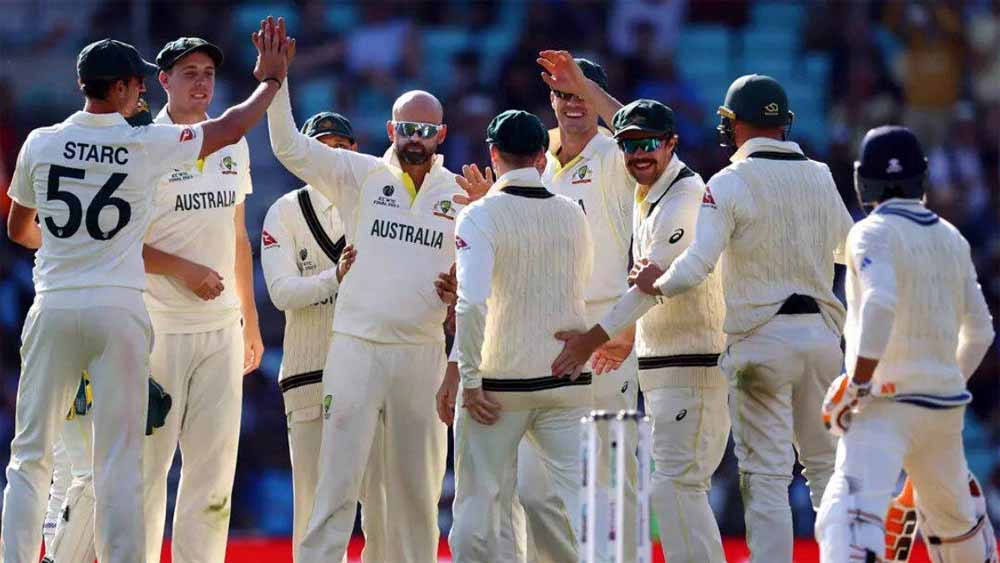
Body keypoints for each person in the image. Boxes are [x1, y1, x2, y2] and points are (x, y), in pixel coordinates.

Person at [2, 18, 291, 563]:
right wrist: (272, 81)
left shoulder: (41, 141)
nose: (139, 90)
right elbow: (231, 127)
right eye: (136, 82)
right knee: (120, 461)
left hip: (55, 303)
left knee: (30, 455)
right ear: (120, 88)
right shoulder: (144, 144)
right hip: (125, 312)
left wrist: (75, 245)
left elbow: (19, 229)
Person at [556, 73, 854, 563]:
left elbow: (695, 266)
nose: (638, 152)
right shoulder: (820, 175)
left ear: (732, 125)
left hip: (757, 342)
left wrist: (656, 285)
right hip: (821, 338)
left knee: (764, 477)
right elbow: (849, 250)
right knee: (825, 471)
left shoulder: (726, 183)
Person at [267, 47, 484, 561]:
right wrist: (276, 82)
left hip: (421, 353)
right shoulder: (358, 174)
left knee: (416, 493)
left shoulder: (461, 194)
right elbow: (288, 147)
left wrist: (486, 213)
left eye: (425, 131)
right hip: (356, 350)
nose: (415, 139)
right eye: (407, 129)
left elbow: (488, 273)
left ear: (442, 135)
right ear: (391, 130)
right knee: (335, 486)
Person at [815, 126, 997, 563]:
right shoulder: (952, 238)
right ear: (922, 177)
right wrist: (940, 378)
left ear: (863, 180)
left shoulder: (870, 232)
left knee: (848, 516)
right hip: (943, 410)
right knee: (956, 529)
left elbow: (880, 304)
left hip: (882, 402)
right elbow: (982, 332)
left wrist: (857, 384)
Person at [567, 98, 729, 562]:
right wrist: (628, 337)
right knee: (676, 489)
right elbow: (649, 289)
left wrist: (590, 340)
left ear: (671, 143)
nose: (638, 154)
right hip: (666, 367)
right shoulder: (650, 195)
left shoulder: (684, 196)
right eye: (629, 145)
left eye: (649, 143)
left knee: (677, 487)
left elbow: (651, 289)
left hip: (693, 365)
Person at [502, 50, 639, 563]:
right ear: (550, 99)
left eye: (581, 93)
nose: (572, 103)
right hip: (541, 333)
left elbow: (638, 133)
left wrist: (624, 329)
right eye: (563, 94)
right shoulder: (535, 154)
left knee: (613, 474)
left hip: (607, 332)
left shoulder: (617, 154)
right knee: (535, 488)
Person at [139, 35, 270, 563]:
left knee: (213, 476)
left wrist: (249, 322)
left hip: (221, 329)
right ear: (163, 80)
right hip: (157, 326)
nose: (201, 82)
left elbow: (238, 237)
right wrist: (185, 270)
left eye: (209, 74)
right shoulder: (143, 144)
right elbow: (116, 243)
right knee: (147, 470)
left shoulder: (232, 144)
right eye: (188, 72)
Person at [448, 109, 593, 562]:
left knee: (480, 501)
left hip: (499, 384)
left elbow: (472, 302)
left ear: (493, 154)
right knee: (582, 505)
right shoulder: (573, 213)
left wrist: (469, 379)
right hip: (564, 380)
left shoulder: (479, 215)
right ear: (542, 158)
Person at [260, 111, 387, 562]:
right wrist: (335, 278)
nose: (331, 156)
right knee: (314, 506)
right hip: (308, 372)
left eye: (340, 147)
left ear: (356, 152)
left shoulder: (380, 205)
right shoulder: (283, 211)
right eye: (321, 147)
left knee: (380, 504)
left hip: (372, 372)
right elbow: (281, 294)